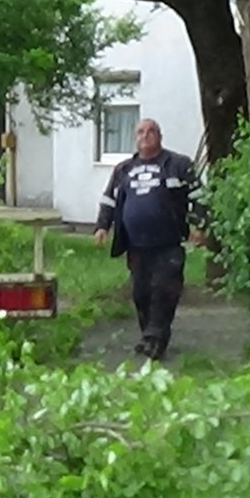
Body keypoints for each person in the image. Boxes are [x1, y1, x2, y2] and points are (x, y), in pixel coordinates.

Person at [93, 118, 205, 360]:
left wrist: (198, 225)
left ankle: (155, 340)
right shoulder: (123, 169)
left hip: (168, 245)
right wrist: (102, 226)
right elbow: (109, 200)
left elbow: (199, 196)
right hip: (136, 247)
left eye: (151, 131)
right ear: (135, 138)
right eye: (141, 132)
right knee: (141, 294)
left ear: (160, 136)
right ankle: (150, 336)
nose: (146, 135)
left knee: (164, 292)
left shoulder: (178, 164)